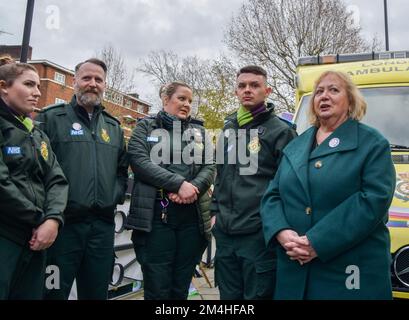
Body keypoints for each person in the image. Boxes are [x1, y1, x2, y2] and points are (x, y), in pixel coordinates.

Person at [260, 70, 396, 300]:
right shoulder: (296, 145)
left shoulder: (372, 143)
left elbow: (374, 199)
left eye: (334, 90)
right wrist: (282, 232)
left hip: (349, 273)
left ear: (350, 100)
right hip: (295, 270)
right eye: (319, 92)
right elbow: (272, 195)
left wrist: (317, 242)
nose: (324, 96)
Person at [36, 58, 128, 300]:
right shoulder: (50, 119)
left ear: (105, 85)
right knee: (52, 292)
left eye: (98, 79)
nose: (92, 84)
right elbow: (35, 168)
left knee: (96, 294)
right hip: (62, 228)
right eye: (86, 78)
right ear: (74, 81)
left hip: (102, 229)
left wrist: (113, 195)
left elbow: (122, 170)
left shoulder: (114, 127)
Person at [211, 65, 297, 300]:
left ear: (267, 90)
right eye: (242, 85)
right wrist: (214, 211)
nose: (247, 90)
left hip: (259, 237)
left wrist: (276, 225)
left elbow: (290, 187)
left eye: (254, 85)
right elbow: (220, 175)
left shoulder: (282, 131)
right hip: (226, 236)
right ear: (235, 92)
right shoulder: (228, 130)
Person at [125, 81, 215, 300]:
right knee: (157, 287)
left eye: (190, 101)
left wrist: (192, 188)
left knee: (180, 286)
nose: (187, 104)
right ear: (166, 100)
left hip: (192, 220)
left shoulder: (200, 132)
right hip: (156, 218)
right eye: (181, 99)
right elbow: (139, 161)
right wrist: (178, 184)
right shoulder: (145, 128)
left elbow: (210, 165)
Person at [0, 60, 68, 299]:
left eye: (39, 86)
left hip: (37, 240)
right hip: (7, 235)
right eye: (29, 84)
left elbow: (57, 180)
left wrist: (53, 220)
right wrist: (40, 219)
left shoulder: (37, 134)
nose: (37, 92)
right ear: (3, 87)